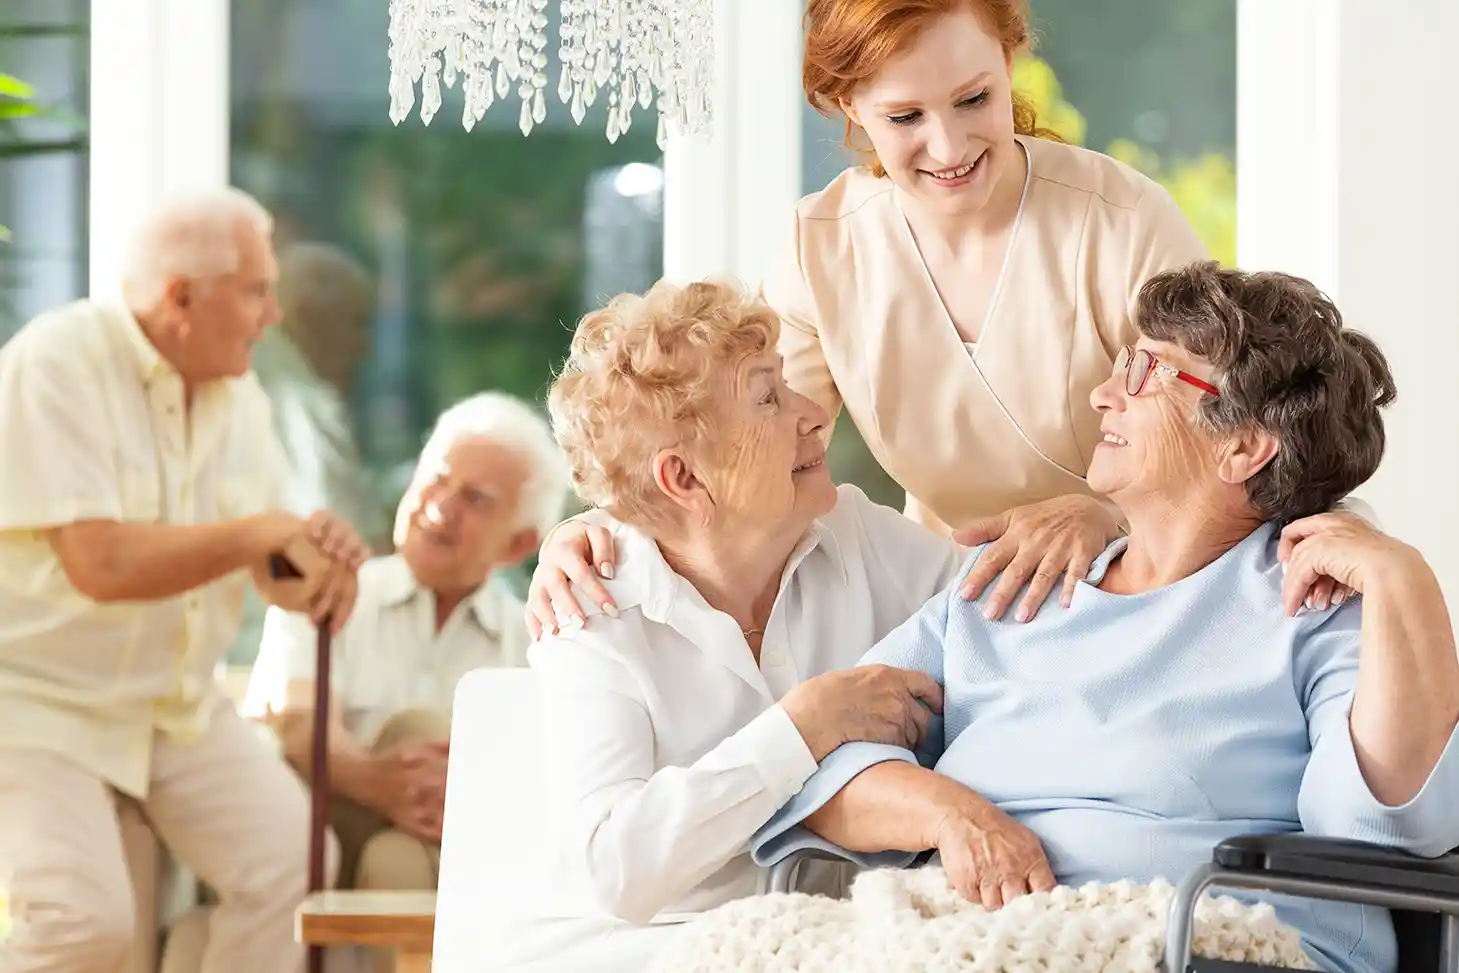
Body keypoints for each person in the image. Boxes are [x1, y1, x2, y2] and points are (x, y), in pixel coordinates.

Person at [524, 0, 1361, 635]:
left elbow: (1227, 431)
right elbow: (739, 446)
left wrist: (1108, 513)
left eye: (973, 99)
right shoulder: (823, 247)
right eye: (904, 118)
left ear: (1009, 60)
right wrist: (601, 528)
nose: (950, 145)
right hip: (964, 598)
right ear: (847, 106)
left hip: (1155, 587)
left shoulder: (1117, 218)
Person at [750, 261, 1459, 973]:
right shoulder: (1013, 580)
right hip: (978, 939)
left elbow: (1379, 828)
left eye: (1146, 372)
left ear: (1242, 446)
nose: (1101, 394)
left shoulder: (1311, 601)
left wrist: (1405, 581)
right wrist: (950, 816)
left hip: (1214, 947)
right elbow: (819, 766)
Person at [517, 279, 969, 972]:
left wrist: (1083, 522)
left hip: (844, 945)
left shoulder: (856, 533)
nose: (814, 414)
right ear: (684, 479)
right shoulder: (589, 615)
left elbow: (1011, 606)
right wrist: (805, 727)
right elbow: (615, 866)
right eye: (767, 398)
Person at [0, 187, 370, 973]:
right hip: (34, 701)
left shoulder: (242, 399)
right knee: (81, 925)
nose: (275, 314)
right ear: (181, 297)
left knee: (293, 864)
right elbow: (99, 564)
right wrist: (256, 532)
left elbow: (269, 570)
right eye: (258, 290)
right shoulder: (58, 361)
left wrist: (314, 563)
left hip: (176, 707)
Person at [245, 392, 569, 914]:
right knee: (421, 728)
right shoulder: (325, 592)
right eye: (436, 478)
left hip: (448, 861)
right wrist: (376, 782)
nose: (440, 507)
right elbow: (296, 723)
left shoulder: (536, 643)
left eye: (476, 499)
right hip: (319, 836)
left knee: (396, 860)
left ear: (517, 545)